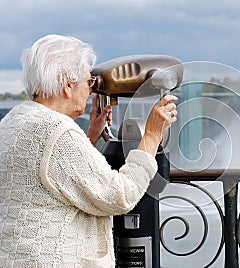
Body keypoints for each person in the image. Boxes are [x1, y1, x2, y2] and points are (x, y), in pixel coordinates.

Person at [0, 34, 178, 267]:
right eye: (88, 82)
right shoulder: (58, 134)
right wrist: (153, 135)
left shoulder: (13, 120)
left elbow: (56, 174)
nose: (92, 91)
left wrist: (91, 137)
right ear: (67, 85)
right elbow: (119, 196)